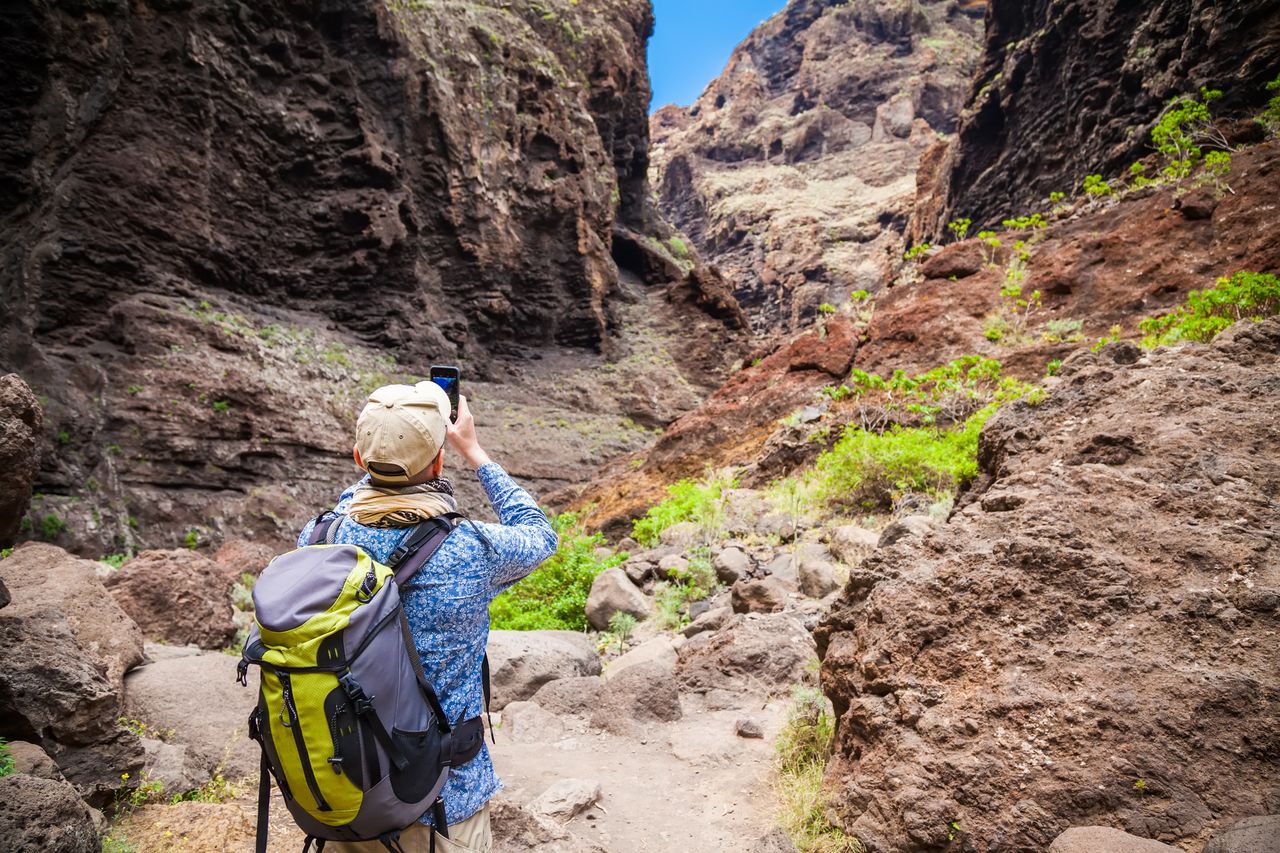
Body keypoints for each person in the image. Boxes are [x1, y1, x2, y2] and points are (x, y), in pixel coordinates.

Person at [297, 381, 558, 853]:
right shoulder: (471, 548)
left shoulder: (319, 539)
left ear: (358, 460)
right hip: (443, 801)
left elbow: (353, 500)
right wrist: (473, 451)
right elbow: (539, 533)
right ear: (438, 462)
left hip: (347, 790)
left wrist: (387, 448)